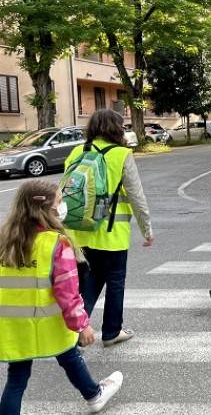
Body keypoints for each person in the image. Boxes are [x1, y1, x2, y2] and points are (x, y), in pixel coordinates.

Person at [0, 180, 123, 414]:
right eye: (59, 201)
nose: (62, 206)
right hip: (49, 324)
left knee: (16, 378)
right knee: (68, 354)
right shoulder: (56, 243)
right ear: (46, 209)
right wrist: (82, 326)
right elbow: (67, 292)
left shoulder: (5, 240)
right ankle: (94, 394)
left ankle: (94, 393)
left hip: (12, 324)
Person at [65, 109, 153, 347]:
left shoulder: (76, 151)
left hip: (79, 232)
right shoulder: (122, 154)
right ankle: (112, 332)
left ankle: (74, 331)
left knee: (88, 282)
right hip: (111, 235)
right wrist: (147, 229)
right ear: (116, 127)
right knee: (115, 283)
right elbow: (136, 195)